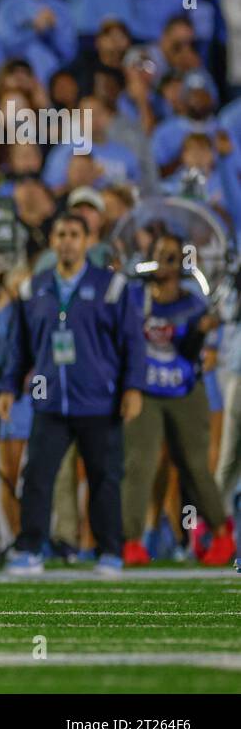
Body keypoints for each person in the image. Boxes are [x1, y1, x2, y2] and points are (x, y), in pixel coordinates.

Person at [0, 213, 146, 575]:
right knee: (37, 476)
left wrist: (133, 387)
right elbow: (20, 347)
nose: (66, 241)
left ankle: (110, 550)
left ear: (87, 241)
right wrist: (8, 386)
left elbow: (133, 343)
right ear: (51, 240)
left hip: (99, 399)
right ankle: (30, 547)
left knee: (104, 477)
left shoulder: (112, 287)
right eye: (60, 233)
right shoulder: (34, 288)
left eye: (74, 234)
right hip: (50, 400)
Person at [123, 232, 235, 566]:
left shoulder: (193, 303)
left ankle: (220, 533)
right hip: (146, 391)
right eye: (160, 254)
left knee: (195, 465)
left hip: (185, 390)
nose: (165, 263)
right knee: (140, 464)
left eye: (172, 256)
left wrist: (201, 331)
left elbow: (190, 354)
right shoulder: (134, 297)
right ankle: (131, 540)